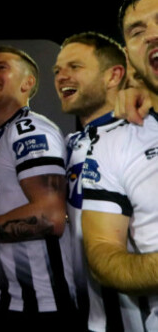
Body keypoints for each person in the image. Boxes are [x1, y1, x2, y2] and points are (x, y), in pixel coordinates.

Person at [0, 46, 76, 331]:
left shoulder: (30, 130)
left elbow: (49, 217)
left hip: (40, 306)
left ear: (27, 83)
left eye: (2, 67)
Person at [81, 0, 158, 330]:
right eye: (138, 31)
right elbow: (101, 254)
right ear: (129, 57)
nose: (153, 35)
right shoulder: (113, 143)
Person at [53, 31, 126, 331]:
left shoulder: (142, 136)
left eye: (75, 66)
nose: (61, 76)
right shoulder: (71, 143)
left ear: (113, 76)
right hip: (87, 310)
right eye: (57, 70)